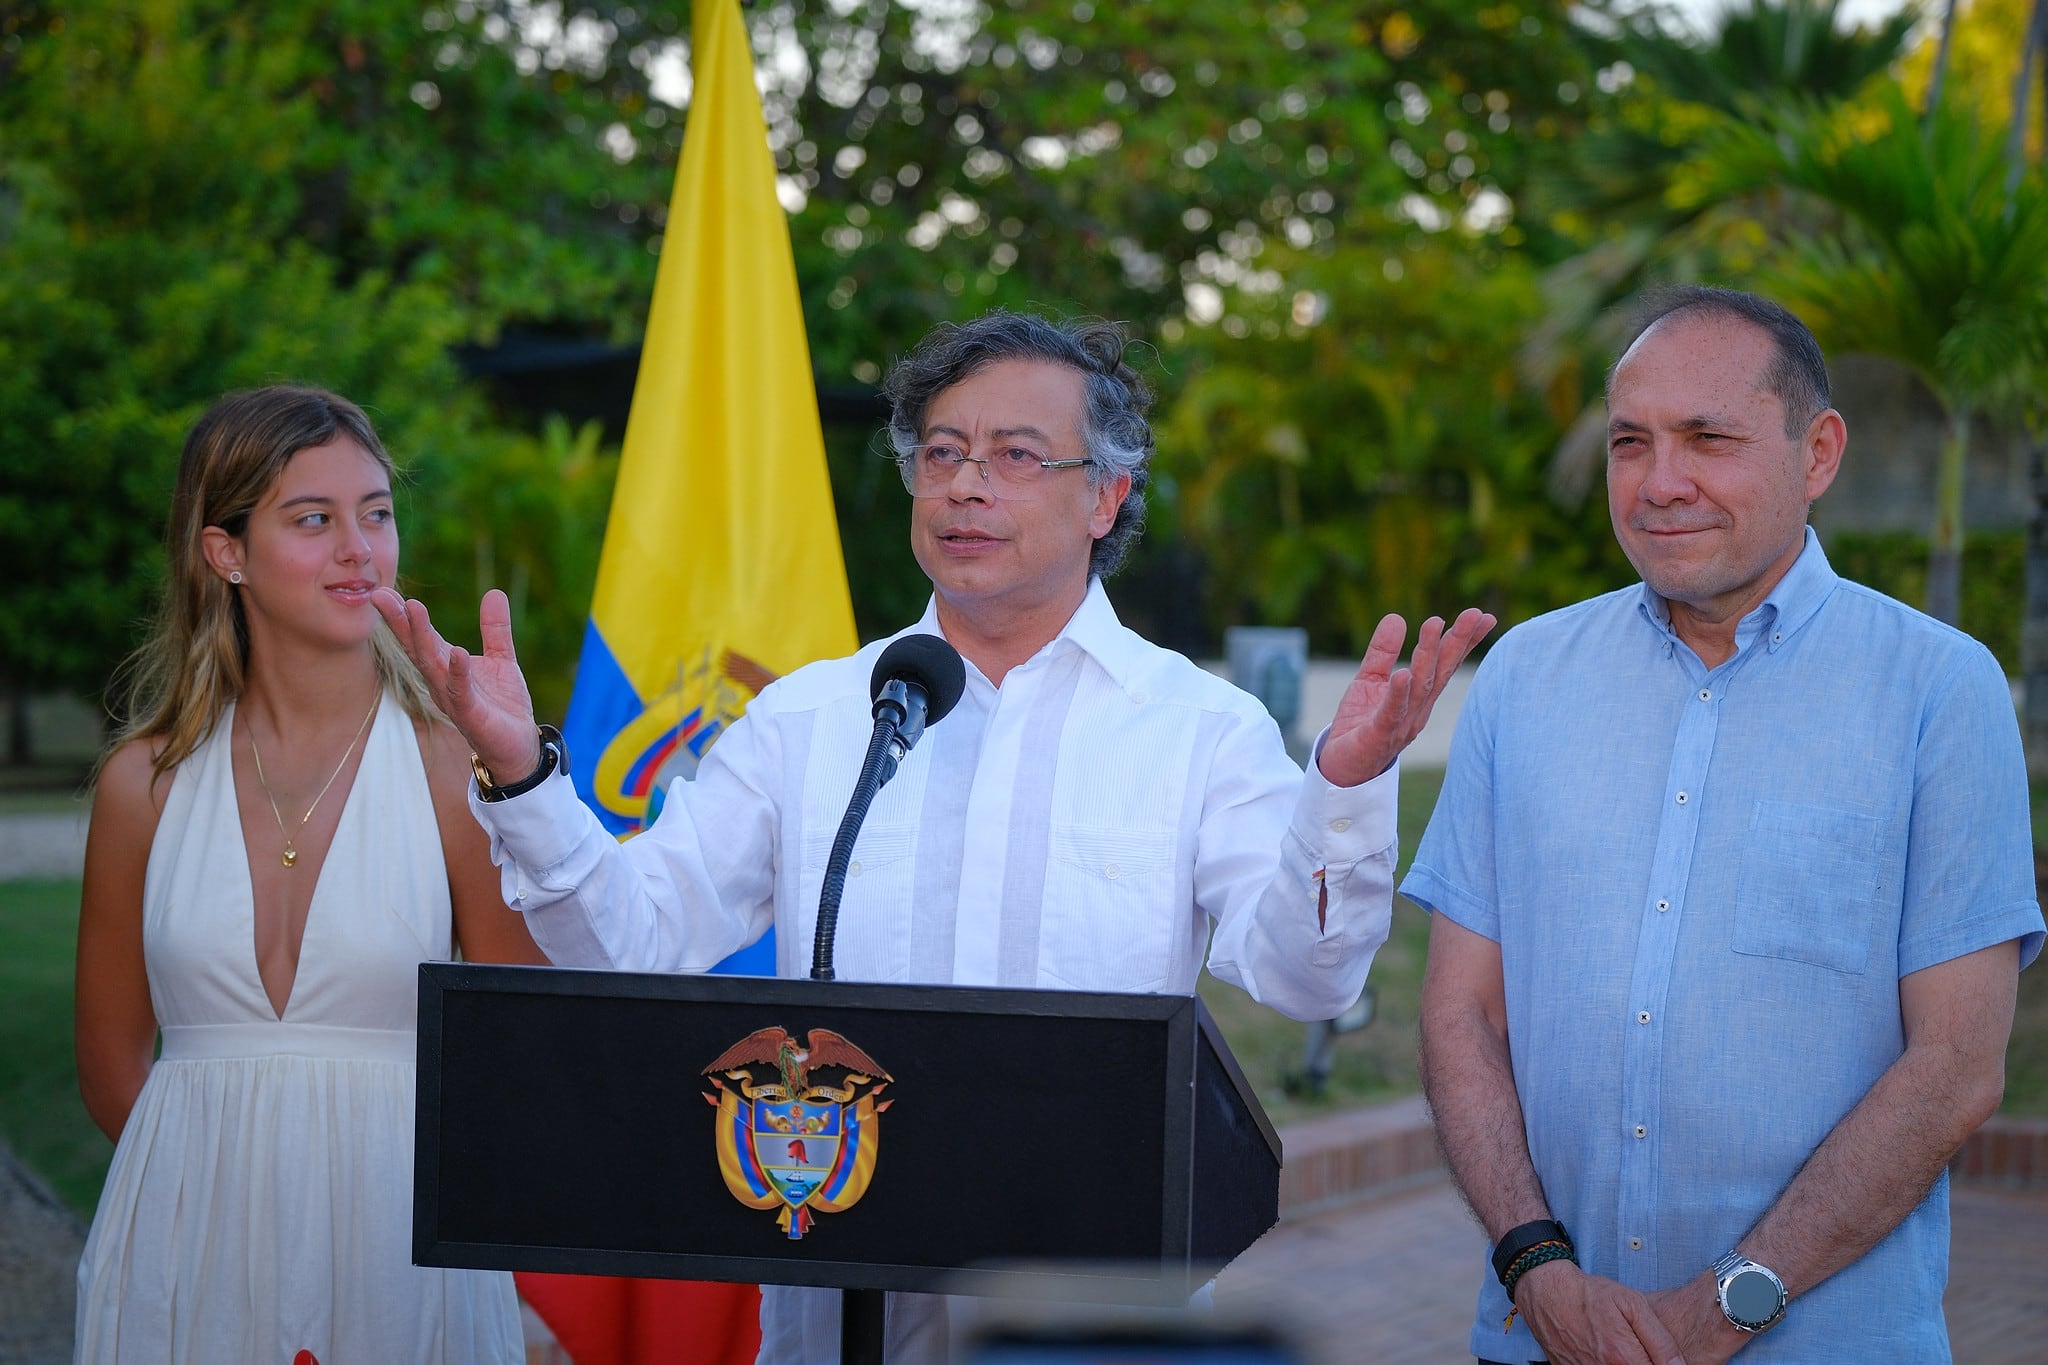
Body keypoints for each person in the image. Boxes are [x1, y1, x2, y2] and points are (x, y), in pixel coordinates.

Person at [375, 309, 1495, 1362]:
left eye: (1014, 455)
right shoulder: (810, 718)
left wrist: (1344, 787)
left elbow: (1304, 980)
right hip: (834, 1304)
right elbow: (628, 943)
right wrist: (522, 771)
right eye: (941, 451)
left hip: (1081, 1305)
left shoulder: (1196, 730)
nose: (964, 484)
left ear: (1104, 497)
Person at [1405, 286, 2045, 1365]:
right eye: (1629, 442)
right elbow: (1460, 1014)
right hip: (1536, 1340)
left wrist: (1724, 1307)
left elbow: (1953, 1066)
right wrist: (1538, 1273)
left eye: (1708, 438)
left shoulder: (1938, 690)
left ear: (1818, 452)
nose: (1659, 483)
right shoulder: (1521, 677)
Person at [73, 386, 546, 1364]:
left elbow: (522, 1034)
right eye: (313, 519)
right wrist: (214, 1210)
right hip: (182, 1253)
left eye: (376, 513)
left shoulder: (451, 765)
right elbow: (113, 1060)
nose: (358, 548)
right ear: (226, 552)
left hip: (404, 1263)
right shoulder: (143, 785)